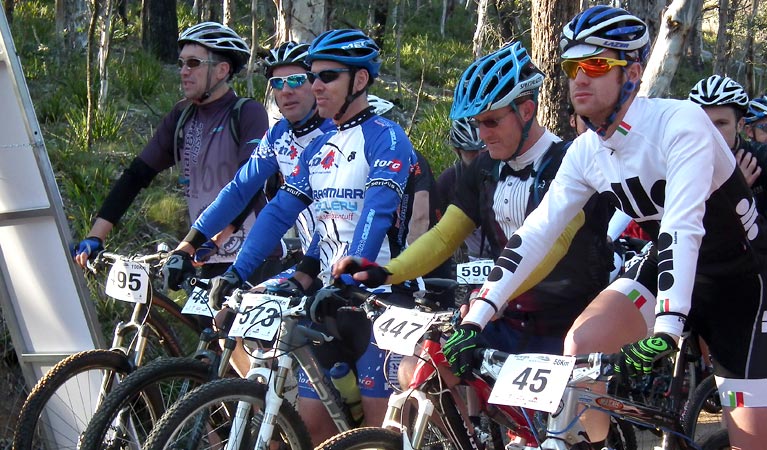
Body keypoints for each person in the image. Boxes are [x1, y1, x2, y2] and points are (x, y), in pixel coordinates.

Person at [438, 6, 767, 449]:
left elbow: (682, 227)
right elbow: (537, 232)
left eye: (595, 65)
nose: (579, 78)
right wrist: (478, 316)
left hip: (741, 281)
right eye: (573, 67)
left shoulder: (680, 123)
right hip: (668, 264)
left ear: (631, 72)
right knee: (582, 346)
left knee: (751, 442)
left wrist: (667, 332)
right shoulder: (586, 151)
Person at [205, 28, 417, 446]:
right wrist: (238, 273)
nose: (316, 85)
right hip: (328, 302)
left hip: (381, 301)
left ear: (359, 81)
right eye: (314, 75)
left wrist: (345, 279)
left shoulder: (386, 136)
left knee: (380, 440)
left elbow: (376, 215)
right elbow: (280, 211)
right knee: (315, 433)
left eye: (328, 76)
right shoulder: (317, 146)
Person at [335, 41, 614, 357]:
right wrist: (387, 272)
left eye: (491, 121)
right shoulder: (484, 168)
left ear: (526, 110)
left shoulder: (571, 163)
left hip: (568, 323)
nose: (482, 134)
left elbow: (550, 246)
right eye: (476, 123)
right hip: (504, 316)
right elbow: (443, 237)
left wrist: (488, 299)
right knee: (419, 369)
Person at [72, 22, 269, 282]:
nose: (184, 71)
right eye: (181, 63)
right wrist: (96, 236)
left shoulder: (247, 112)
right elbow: (136, 175)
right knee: (198, 323)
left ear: (222, 70)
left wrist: (213, 241)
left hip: (252, 257)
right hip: (202, 256)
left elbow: (250, 187)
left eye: (194, 63)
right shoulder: (181, 116)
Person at [162, 41, 334, 292]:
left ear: (316, 84)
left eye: (295, 80)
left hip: (354, 263)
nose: (285, 91)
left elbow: (337, 216)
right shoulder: (279, 136)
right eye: (277, 83)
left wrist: (303, 274)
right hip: (315, 262)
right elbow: (239, 190)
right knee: (229, 317)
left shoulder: (337, 136)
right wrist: (188, 246)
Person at [688, 75, 767, 212]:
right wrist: (736, 189)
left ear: (740, 125)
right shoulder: (683, 162)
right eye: (703, 123)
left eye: (721, 123)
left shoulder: (762, 158)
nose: (711, 132)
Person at [435, 118, 489, 261]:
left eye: (483, 149)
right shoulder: (448, 181)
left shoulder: (507, 171)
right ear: (457, 150)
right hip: (473, 258)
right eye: (471, 152)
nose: (479, 156)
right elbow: (435, 226)